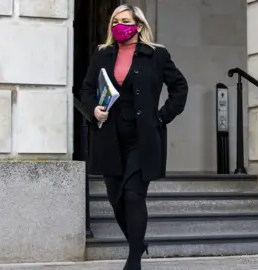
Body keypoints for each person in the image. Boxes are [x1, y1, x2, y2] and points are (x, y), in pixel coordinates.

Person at [79, 4, 188, 270]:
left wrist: (162, 117)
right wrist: (93, 110)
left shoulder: (157, 55)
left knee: (133, 195)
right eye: (115, 21)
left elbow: (180, 87)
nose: (119, 25)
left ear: (138, 25)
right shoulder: (102, 55)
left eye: (125, 21)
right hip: (110, 137)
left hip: (144, 138)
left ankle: (134, 260)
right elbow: (86, 89)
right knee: (116, 199)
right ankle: (137, 243)